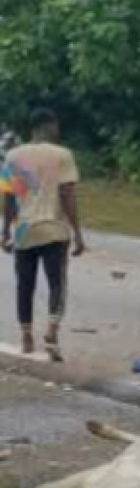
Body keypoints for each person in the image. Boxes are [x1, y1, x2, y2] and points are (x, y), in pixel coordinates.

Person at [0, 109, 84, 361]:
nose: (58, 130)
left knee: (25, 285)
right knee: (57, 283)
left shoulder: (13, 155)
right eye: (56, 125)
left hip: (24, 230)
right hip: (54, 230)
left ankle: (26, 337)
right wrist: (78, 232)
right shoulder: (62, 155)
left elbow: (8, 197)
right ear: (48, 125)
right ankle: (51, 330)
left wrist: (5, 231)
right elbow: (67, 194)